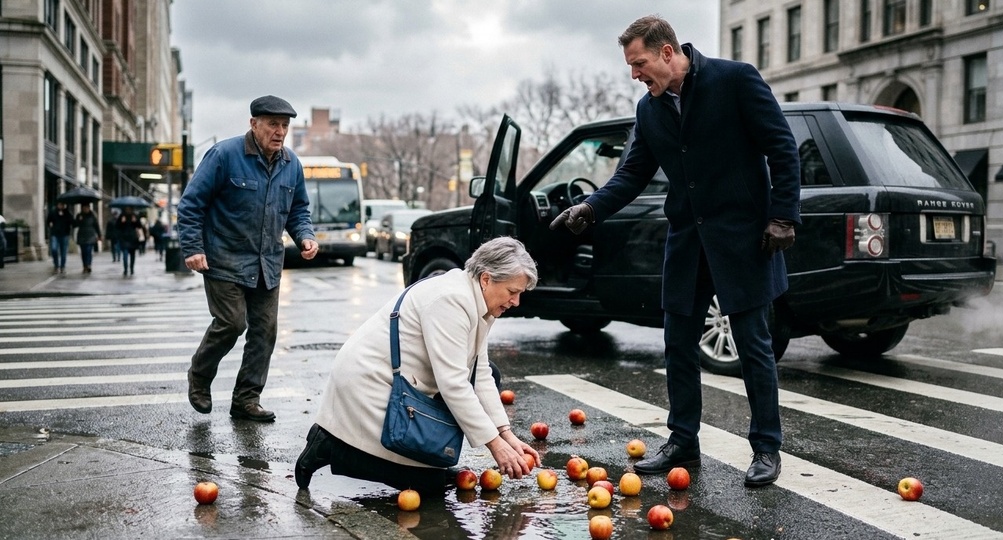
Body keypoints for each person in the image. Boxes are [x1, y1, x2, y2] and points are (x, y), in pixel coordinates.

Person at [550, 16, 800, 487]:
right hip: (687, 239)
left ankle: (766, 447)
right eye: (630, 66)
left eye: (639, 63)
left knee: (753, 346)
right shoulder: (650, 110)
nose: (634, 75)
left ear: (667, 53)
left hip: (744, 238)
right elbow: (632, 173)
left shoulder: (735, 80)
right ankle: (683, 440)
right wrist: (591, 208)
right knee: (678, 343)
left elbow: (782, 148)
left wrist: (783, 216)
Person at [294, 237, 541, 494]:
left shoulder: (477, 298)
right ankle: (328, 447)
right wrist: (495, 445)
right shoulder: (452, 300)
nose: (516, 302)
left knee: (436, 472)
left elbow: (479, 372)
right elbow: (454, 384)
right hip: (371, 382)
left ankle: (424, 464)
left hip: (404, 379)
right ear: (487, 279)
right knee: (428, 485)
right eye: (513, 292)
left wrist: (506, 435)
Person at [177, 95, 318, 422]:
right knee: (232, 323)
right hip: (223, 259)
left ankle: (246, 399)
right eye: (272, 124)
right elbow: (191, 205)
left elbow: (298, 210)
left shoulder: (291, 164)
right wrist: (192, 248)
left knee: (265, 332)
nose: (279, 131)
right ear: (253, 124)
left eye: (284, 125)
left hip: (267, 263)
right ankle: (199, 374)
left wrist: (305, 236)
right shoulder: (224, 156)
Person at [115, 206, 144, 276]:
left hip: (133, 238)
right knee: (125, 254)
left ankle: (131, 268)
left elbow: (140, 226)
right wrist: (122, 222)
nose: (128, 210)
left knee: (132, 255)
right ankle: (125, 269)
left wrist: (135, 221)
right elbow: (116, 226)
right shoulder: (121, 216)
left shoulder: (135, 216)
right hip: (124, 238)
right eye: (126, 209)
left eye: (129, 209)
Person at [47, 202, 74, 273]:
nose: (61, 206)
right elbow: (48, 220)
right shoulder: (53, 211)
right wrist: (50, 225)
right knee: (54, 249)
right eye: (60, 204)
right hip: (55, 234)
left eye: (63, 205)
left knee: (63, 252)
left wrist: (66, 215)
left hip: (65, 234)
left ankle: (62, 266)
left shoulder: (67, 213)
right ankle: (56, 265)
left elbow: (72, 222)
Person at [74, 203, 102, 273]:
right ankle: (85, 265)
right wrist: (79, 220)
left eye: (87, 207)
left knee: (89, 251)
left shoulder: (93, 216)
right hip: (82, 235)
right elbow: (75, 225)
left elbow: (96, 226)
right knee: (83, 252)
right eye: (84, 208)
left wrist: (99, 235)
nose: (85, 209)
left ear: (89, 208)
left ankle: (89, 264)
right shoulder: (79, 215)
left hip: (91, 235)